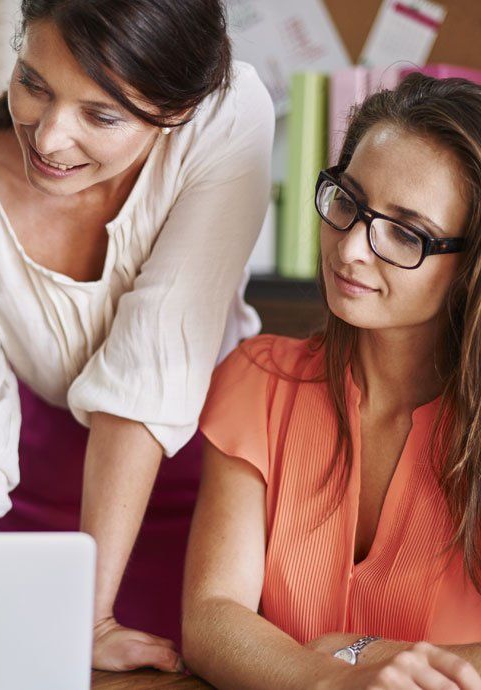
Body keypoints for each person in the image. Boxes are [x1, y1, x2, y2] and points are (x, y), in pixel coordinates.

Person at [0, 0, 274, 671]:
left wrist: (88, 614)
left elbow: (151, 370)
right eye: (34, 83)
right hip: (31, 489)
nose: (49, 137)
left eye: (101, 115)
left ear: (175, 112)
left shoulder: (226, 115)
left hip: (212, 487)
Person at [183, 73, 481, 690]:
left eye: (406, 232)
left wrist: (364, 649)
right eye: (347, 200)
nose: (349, 249)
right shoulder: (257, 384)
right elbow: (212, 617)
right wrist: (337, 683)